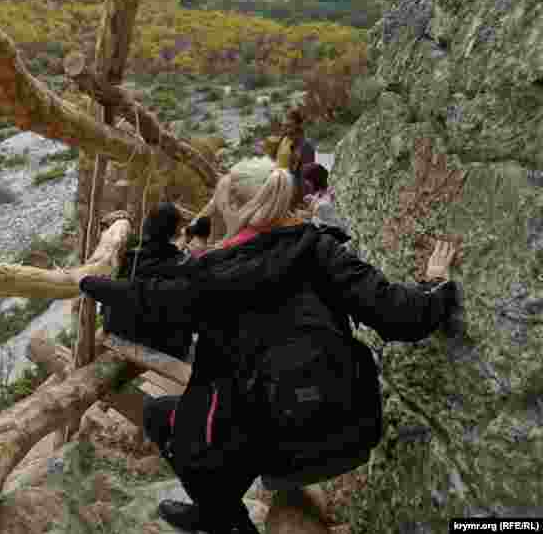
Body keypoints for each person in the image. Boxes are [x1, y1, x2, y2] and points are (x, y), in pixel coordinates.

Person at [79, 156, 462, 534]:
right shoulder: (319, 248)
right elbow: (401, 316)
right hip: (351, 429)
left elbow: (147, 298)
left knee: (164, 417)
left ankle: (221, 518)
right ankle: (218, 512)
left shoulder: (210, 275)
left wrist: (87, 282)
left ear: (231, 207)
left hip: (273, 450)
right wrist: (436, 285)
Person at [105, 202, 194, 360]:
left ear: (147, 225)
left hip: (120, 332)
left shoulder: (129, 258)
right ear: (175, 232)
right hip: (163, 347)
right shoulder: (183, 264)